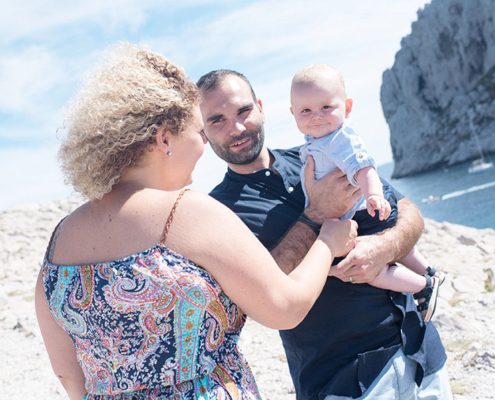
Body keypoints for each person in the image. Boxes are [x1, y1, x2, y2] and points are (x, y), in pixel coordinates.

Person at [35, 44, 358, 400]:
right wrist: (328, 239)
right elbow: (285, 307)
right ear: (164, 139)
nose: (203, 146)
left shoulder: (60, 237)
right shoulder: (186, 212)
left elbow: (69, 377)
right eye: (199, 132)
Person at [197, 69, 453, 399]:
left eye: (243, 111)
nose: (237, 127)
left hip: (419, 350)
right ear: (203, 133)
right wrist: (317, 213)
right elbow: (264, 297)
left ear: (261, 107)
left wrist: (381, 248)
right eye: (217, 120)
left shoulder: (319, 151)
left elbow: (409, 214)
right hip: (344, 379)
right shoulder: (216, 212)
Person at [290, 64, 445, 322]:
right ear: (293, 114)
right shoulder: (315, 142)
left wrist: (373, 194)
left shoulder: (339, 139)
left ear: (347, 108)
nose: (316, 115)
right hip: (365, 208)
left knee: (369, 269)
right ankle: (430, 272)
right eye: (306, 110)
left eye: (326, 107)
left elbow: (364, 166)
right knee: (400, 249)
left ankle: (423, 286)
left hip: (365, 210)